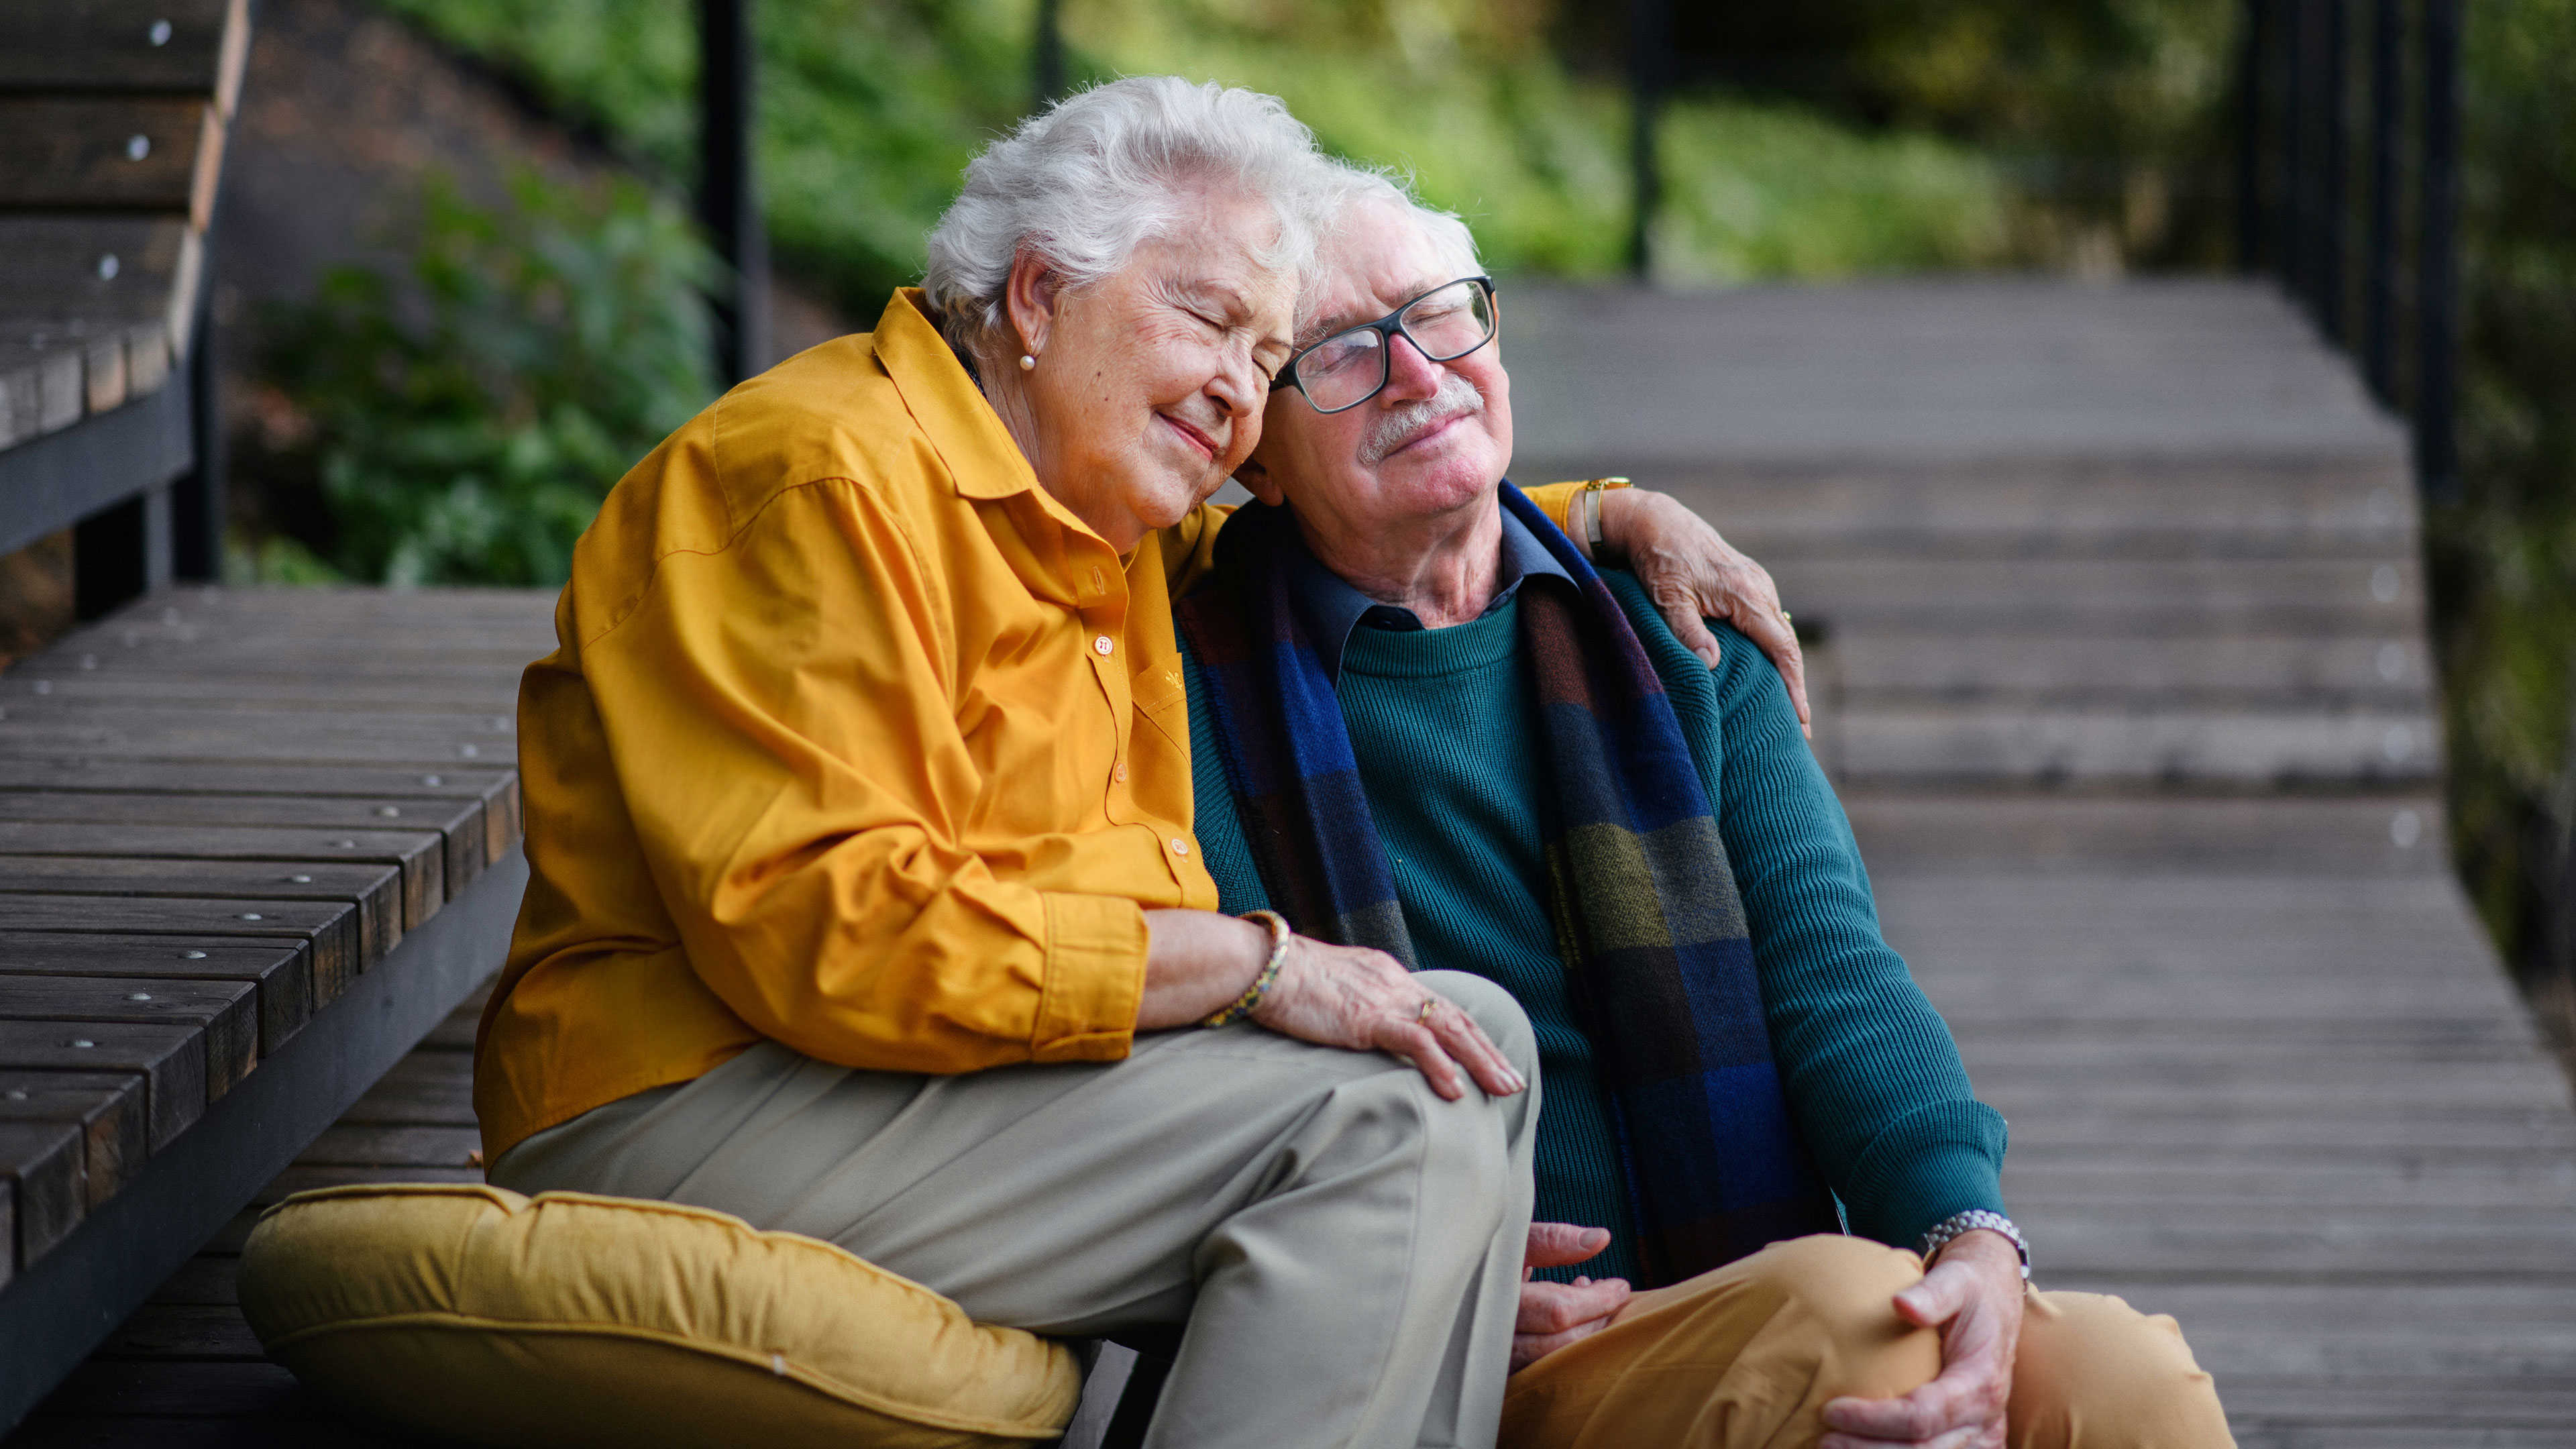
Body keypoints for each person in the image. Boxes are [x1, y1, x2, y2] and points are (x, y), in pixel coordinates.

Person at [474, 78, 1797, 1449]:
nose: (1238, 391)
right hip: (704, 1096)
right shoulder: (814, 487)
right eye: (1209, 322)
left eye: (1265, 356)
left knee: (1466, 1048)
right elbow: (834, 937)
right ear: (1041, 299)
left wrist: (1611, 516)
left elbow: (1362, 523)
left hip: (935, 1086)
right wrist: (1259, 966)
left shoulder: (1110, 524)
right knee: (1392, 1116)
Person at [1173, 166, 2241, 1449]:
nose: (1415, 370)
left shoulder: (1669, 628)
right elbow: (1212, 1085)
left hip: (1755, 1275)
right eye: (1341, 354)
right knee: (1846, 1318)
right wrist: (1399, 1278)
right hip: (1486, 1350)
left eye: (1441, 312)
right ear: (1257, 463)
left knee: (2129, 1381)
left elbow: (1836, 974)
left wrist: (1969, 1230)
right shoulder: (1194, 698)